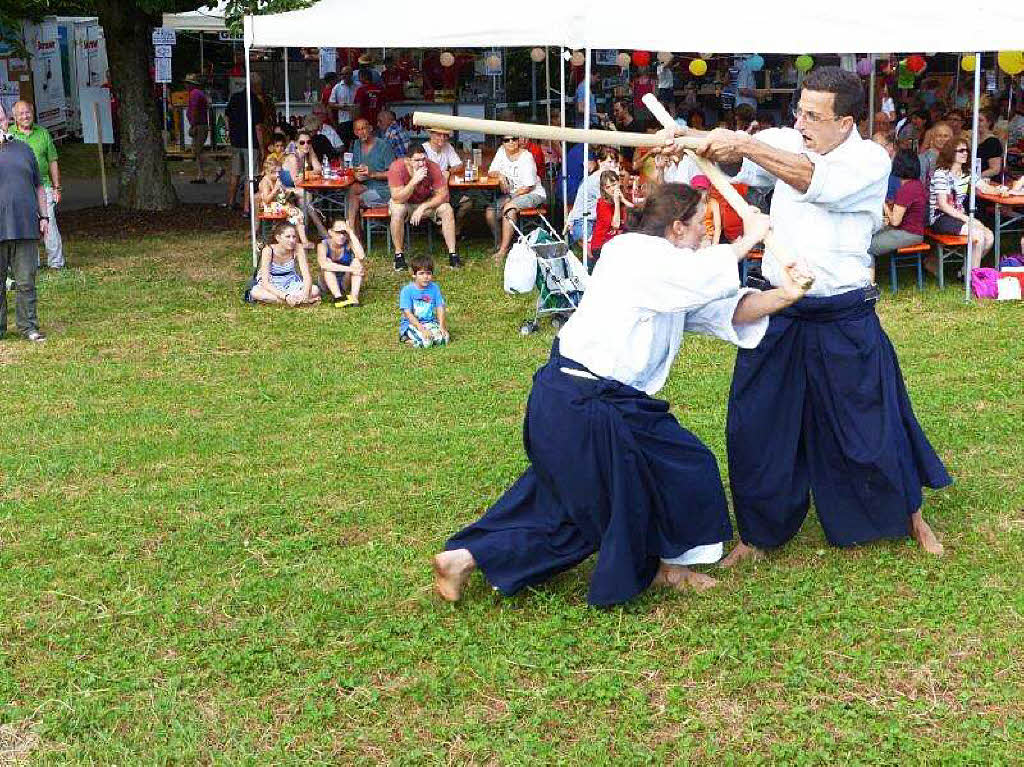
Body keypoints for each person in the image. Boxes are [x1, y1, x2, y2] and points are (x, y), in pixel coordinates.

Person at [432, 183, 814, 606]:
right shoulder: (633, 255)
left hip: (604, 404)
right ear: (675, 227)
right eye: (702, 223)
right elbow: (700, 276)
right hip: (580, 402)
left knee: (583, 499)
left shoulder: (669, 272)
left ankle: (462, 559)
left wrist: (785, 295)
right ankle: (662, 569)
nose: (708, 233)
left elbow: (723, 311)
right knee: (609, 504)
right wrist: (749, 238)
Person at [670, 66, 951, 566]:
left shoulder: (867, 160)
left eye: (814, 116)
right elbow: (735, 154)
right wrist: (695, 140)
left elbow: (814, 181)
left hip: (842, 313)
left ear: (845, 123)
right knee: (755, 424)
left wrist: (746, 144)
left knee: (870, 424)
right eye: (800, 110)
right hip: (779, 308)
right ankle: (757, 534)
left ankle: (908, 512)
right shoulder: (785, 138)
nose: (801, 122)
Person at [0, 102, 49, 342]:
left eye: (1, 119)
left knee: (26, 280)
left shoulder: (23, 149)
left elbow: (38, 185)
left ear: (7, 120)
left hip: (25, 224)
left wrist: (44, 216)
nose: (0, 124)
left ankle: (28, 326)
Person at [387, 144, 460, 271]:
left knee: (447, 209)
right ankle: (399, 256)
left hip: (426, 203)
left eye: (423, 159)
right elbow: (397, 197)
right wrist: (413, 181)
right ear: (408, 160)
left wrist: (422, 208)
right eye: (417, 160)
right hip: (405, 202)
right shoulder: (396, 167)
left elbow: (443, 195)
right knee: (396, 210)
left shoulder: (432, 167)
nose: (421, 164)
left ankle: (453, 255)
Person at [928, 135, 995, 270]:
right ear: (951, 153)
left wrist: (1001, 190)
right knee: (979, 235)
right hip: (941, 217)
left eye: (966, 151)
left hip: (959, 217)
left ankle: (965, 271)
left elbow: (984, 187)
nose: (965, 153)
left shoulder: (967, 173)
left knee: (990, 237)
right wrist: (968, 219)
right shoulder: (941, 174)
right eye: (961, 151)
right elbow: (943, 205)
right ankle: (973, 278)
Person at [10, 101, 63, 268]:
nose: (25, 116)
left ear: (32, 112)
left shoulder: (43, 133)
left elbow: (52, 161)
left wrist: (57, 187)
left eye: (27, 112)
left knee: (50, 225)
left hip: (44, 187)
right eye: (21, 114)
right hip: (20, 189)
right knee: (28, 227)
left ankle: (56, 263)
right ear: (15, 118)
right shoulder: (9, 135)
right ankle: (33, 263)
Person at [486, 135, 546, 265]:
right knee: (490, 212)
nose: (511, 142)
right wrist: (500, 176)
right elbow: (491, 172)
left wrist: (510, 199)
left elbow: (528, 187)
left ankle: (503, 250)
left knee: (509, 209)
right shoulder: (501, 151)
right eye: (506, 140)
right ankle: (499, 243)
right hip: (513, 193)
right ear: (502, 143)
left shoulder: (526, 157)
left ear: (519, 140)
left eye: (514, 139)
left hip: (532, 193)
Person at [869, 149, 927, 261]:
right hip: (913, 231)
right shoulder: (916, 184)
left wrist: (883, 202)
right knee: (868, 236)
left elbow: (895, 221)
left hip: (908, 234)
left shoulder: (907, 189)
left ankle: (867, 277)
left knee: (867, 246)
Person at [249, 222, 320, 306]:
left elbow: (307, 276)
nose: (292, 240)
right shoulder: (268, 250)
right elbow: (265, 282)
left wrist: (305, 294)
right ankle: (300, 302)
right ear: (278, 238)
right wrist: (285, 296)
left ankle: (294, 301)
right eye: (288, 237)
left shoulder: (298, 247)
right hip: (272, 283)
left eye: (294, 237)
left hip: (291, 282)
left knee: (314, 289)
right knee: (255, 293)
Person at [345, 117, 396, 234]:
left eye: (364, 128)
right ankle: (355, 233)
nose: (361, 132)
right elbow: (356, 167)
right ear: (354, 132)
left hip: (383, 190)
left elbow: (393, 174)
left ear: (370, 128)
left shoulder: (383, 146)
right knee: (350, 190)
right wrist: (356, 173)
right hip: (366, 186)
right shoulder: (357, 145)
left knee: (354, 200)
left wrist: (372, 174)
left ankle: (352, 234)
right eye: (358, 130)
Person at [223, 80, 263, 215]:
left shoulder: (234, 98)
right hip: (250, 143)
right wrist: (262, 146)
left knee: (235, 173)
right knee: (249, 176)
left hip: (236, 142)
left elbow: (226, 116)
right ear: (255, 86)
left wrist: (230, 132)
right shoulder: (255, 102)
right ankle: (246, 207)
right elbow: (258, 127)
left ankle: (230, 202)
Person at [565, 146, 620, 244]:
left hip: (589, 220)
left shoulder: (601, 177)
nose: (613, 166)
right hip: (583, 223)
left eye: (615, 162)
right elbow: (609, 204)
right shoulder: (596, 180)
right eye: (610, 162)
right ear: (600, 162)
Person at [399, 255, 449, 347]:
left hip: (430, 322)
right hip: (412, 324)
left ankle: (422, 337)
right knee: (427, 343)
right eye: (421, 273)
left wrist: (442, 326)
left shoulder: (435, 288)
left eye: (428, 273)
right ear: (414, 274)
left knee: (443, 340)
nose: (425, 277)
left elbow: (440, 307)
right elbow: (407, 313)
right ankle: (406, 338)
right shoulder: (407, 290)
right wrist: (422, 329)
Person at [317, 218, 365, 308]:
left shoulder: (348, 243)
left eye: (344, 232)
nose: (342, 236)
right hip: (327, 283)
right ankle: (338, 298)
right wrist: (350, 269)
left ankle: (354, 298)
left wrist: (350, 232)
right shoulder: (323, 244)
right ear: (330, 232)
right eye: (338, 232)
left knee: (357, 261)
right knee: (328, 262)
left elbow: (361, 256)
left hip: (344, 281)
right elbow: (323, 265)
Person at [589, 170, 633, 262]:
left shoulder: (624, 196)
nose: (612, 189)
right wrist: (617, 202)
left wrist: (624, 200)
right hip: (601, 245)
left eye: (614, 185)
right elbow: (615, 225)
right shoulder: (602, 203)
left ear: (619, 182)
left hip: (617, 242)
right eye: (608, 187)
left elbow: (637, 212)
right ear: (603, 189)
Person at [184, 74, 210, 183]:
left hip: (199, 125)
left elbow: (194, 110)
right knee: (196, 150)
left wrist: (193, 125)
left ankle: (217, 168)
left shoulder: (194, 94)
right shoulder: (198, 93)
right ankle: (201, 175)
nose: (185, 85)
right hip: (200, 124)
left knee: (197, 151)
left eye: (187, 83)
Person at [328, 67, 355, 147]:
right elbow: (331, 104)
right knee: (345, 143)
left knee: (356, 143)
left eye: (346, 74)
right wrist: (341, 106)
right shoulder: (337, 87)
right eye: (342, 74)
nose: (344, 76)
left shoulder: (358, 86)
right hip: (343, 120)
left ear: (351, 75)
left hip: (356, 119)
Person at [976, 110, 1004, 182]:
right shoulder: (973, 139)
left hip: (987, 181)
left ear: (989, 123)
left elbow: (995, 169)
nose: (977, 122)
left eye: (980, 120)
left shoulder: (992, 142)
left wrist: (977, 176)